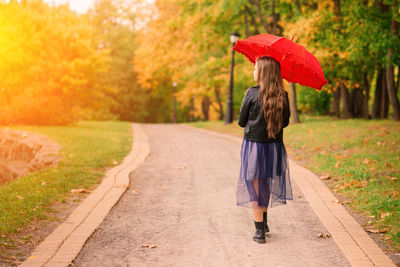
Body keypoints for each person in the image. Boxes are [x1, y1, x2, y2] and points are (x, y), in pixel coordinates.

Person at [236, 56, 293, 244]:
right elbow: (284, 122)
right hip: (273, 147)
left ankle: (259, 231)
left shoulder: (251, 94)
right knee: (266, 182)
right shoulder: (282, 95)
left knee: (254, 186)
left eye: (255, 68)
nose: (253, 72)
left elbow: (241, 121)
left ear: (262, 73)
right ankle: (265, 222)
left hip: (254, 146)